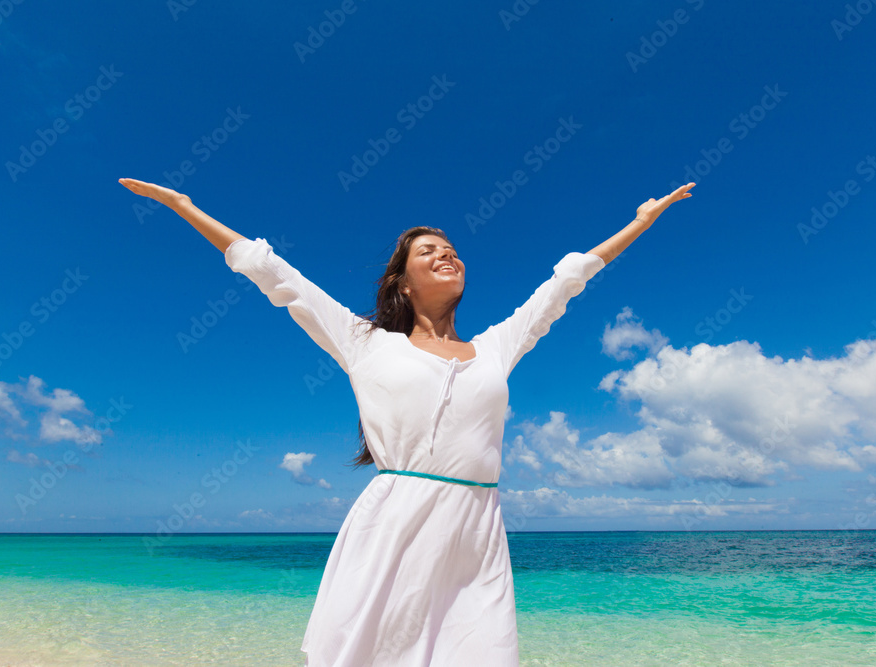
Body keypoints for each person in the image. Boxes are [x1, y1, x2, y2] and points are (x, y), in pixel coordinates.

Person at [118, 177, 694, 666]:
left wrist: (641, 222)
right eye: (429, 251)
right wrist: (184, 206)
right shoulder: (365, 342)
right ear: (402, 281)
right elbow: (274, 274)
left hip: (476, 534)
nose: (447, 255)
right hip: (392, 527)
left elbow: (565, 284)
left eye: (452, 250)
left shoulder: (497, 347)